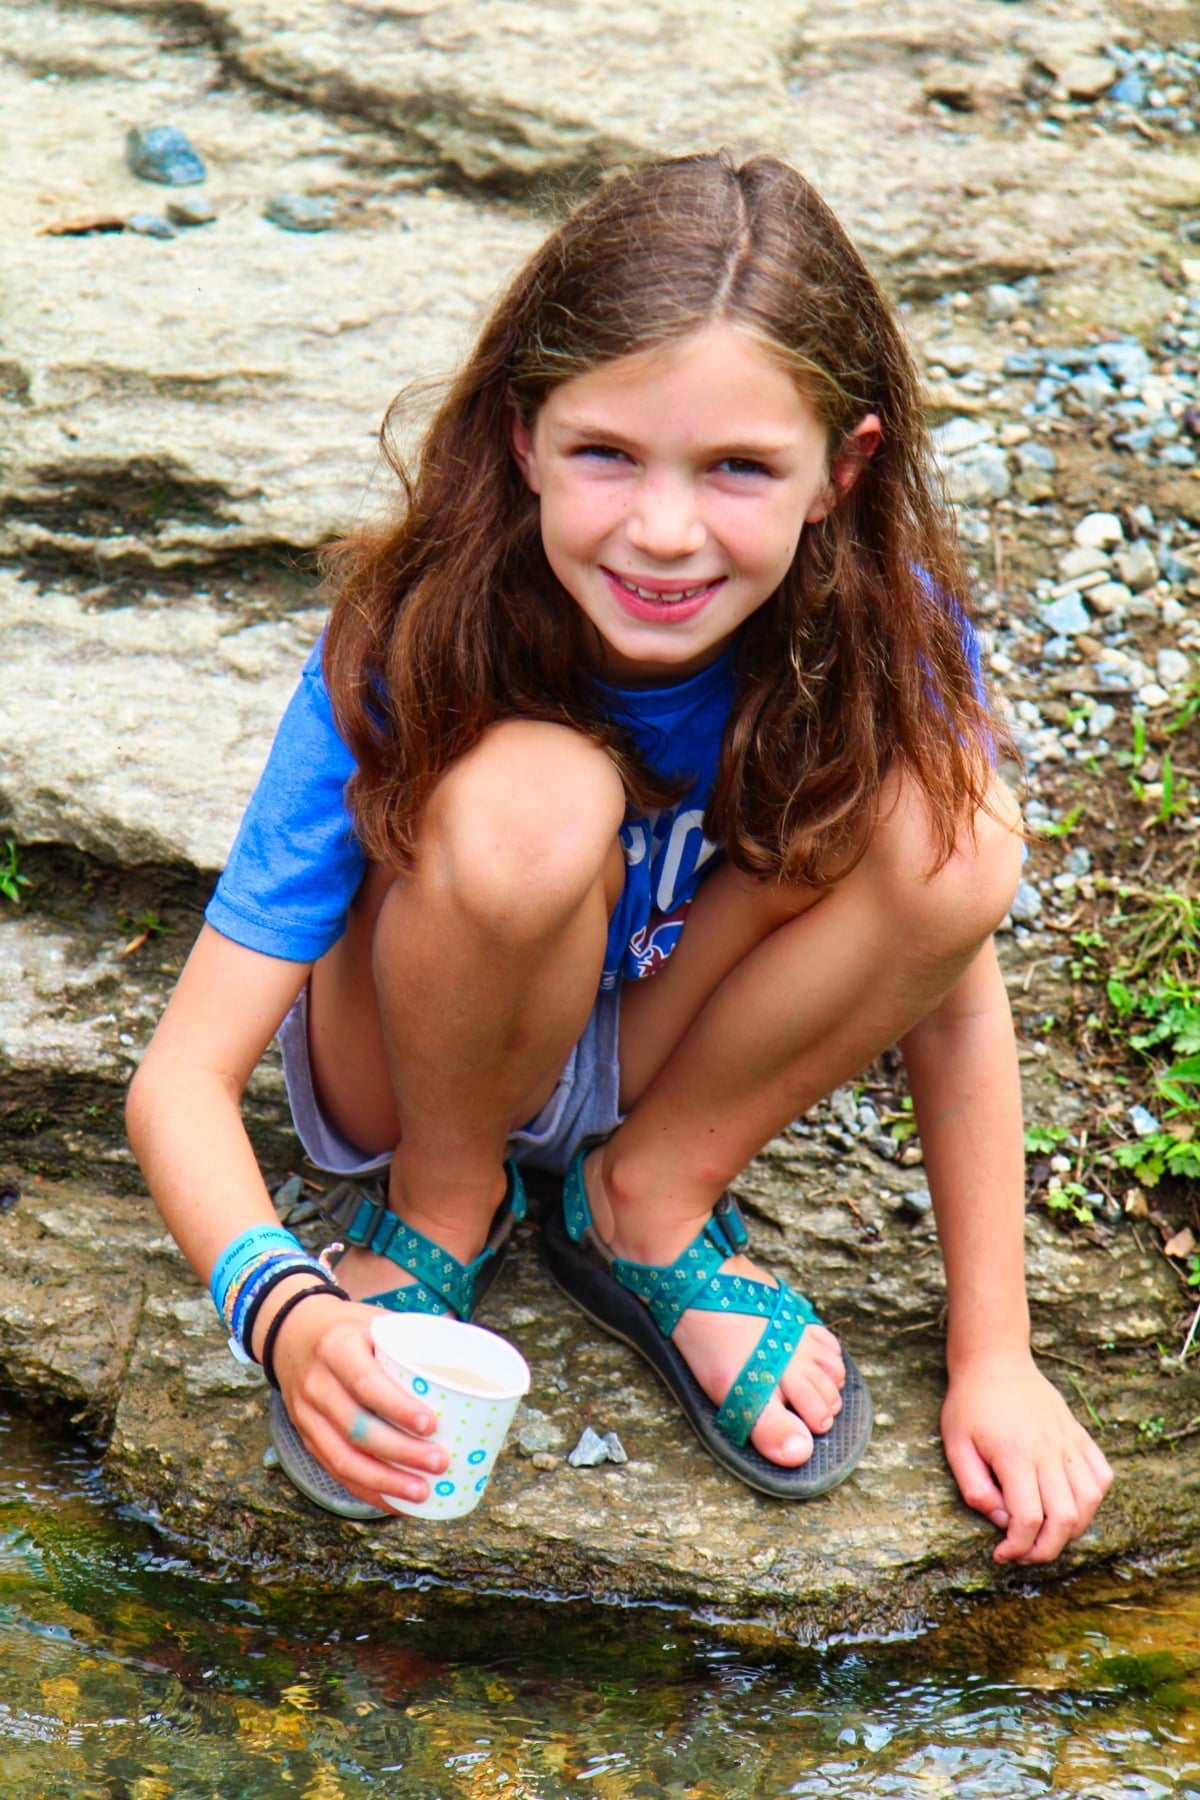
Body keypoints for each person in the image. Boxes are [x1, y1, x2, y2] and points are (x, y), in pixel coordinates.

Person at [127, 150, 1112, 1562]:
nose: (663, 530)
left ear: (844, 469)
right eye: (606, 453)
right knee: (540, 795)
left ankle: (644, 1197)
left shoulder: (880, 635)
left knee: (963, 841)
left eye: (737, 469)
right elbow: (180, 1081)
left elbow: (948, 976)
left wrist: (995, 1350)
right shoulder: (414, 631)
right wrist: (281, 1310)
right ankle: (438, 1215)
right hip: (413, 1058)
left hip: (657, 1037)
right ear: (524, 438)